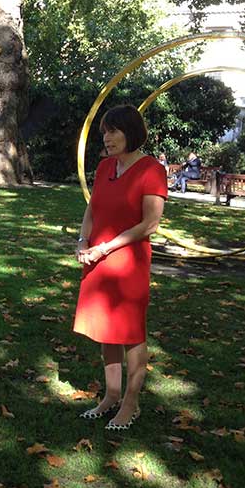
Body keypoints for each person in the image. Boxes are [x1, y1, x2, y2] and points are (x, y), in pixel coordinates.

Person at [73, 104, 167, 431]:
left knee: (130, 332)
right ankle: (111, 395)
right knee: (106, 329)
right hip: (98, 257)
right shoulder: (103, 168)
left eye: (113, 131)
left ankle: (131, 402)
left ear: (131, 132)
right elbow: (92, 209)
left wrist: (107, 247)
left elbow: (151, 223)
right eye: (104, 132)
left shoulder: (152, 170)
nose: (107, 138)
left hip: (128, 263)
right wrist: (83, 242)